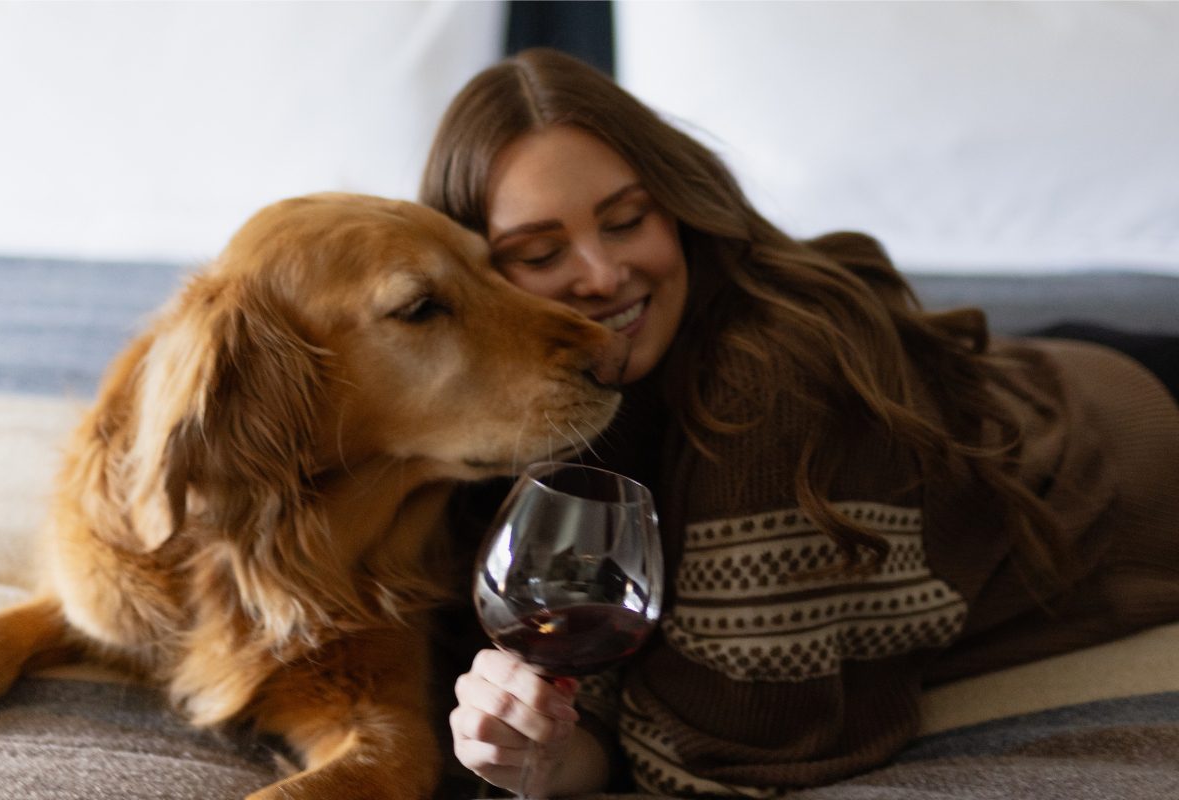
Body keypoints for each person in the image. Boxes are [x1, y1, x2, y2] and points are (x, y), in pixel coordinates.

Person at [419, 48, 1179, 798]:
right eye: (541, 253)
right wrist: (539, 751)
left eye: (626, 220)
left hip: (1135, 436)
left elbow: (731, 747)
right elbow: (580, 713)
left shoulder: (768, 389)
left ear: (676, 205)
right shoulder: (498, 421)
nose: (603, 274)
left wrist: (581, 742)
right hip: (1031, 369)